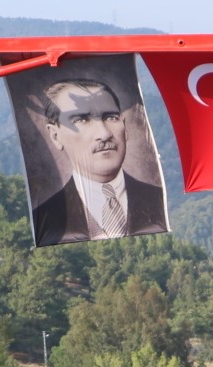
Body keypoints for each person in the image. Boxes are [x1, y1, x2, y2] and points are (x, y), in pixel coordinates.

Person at [31, 78, 168, 245]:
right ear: (55, 135)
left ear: (124, 126)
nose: (104, 133)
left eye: (111, 117)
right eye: (81, 120)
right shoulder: (47, 216)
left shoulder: (158, 200)